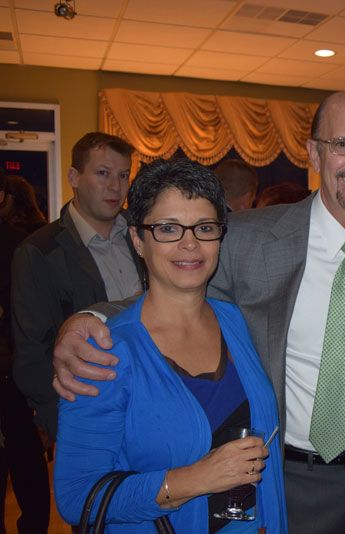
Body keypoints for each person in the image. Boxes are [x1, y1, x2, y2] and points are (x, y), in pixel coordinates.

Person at [49, 91, 345, 533]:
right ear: (315, 152)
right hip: (289, 480)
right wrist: (91, 319)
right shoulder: (249, 237)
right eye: (342, 144)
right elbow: (176, 280)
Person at [54, 158, 287, 532]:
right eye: (168, 228)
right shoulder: (106, 353)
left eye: (205, 228)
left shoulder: (234, 321)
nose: (190, 244)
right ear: (137, 239)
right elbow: (77, 496)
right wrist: (195, 479)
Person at [11, 132, 145, 444]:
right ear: (74, 177)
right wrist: (63, 422)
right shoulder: (39, 252)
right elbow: (32, 354)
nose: (115, 186)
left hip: (150, 399)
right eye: (103, 173)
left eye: (123, 175)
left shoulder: (145, 235)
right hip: (88, 408)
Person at [0, 172, 50, 534]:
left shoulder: (23, 245)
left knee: (21, 458)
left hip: (12, 366)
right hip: (14, 367)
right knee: (25, 460)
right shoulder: (28, 241)